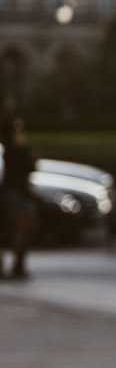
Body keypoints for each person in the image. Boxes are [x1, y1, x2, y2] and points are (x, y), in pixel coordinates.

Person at [0, 116, 37, 279]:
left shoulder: (20, 150)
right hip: (12, 195)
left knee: (25, 227)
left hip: (21, 194)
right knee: (18, 228)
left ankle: (19, 264)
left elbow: (31, 166)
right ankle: (17, 265)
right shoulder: (8, 152)